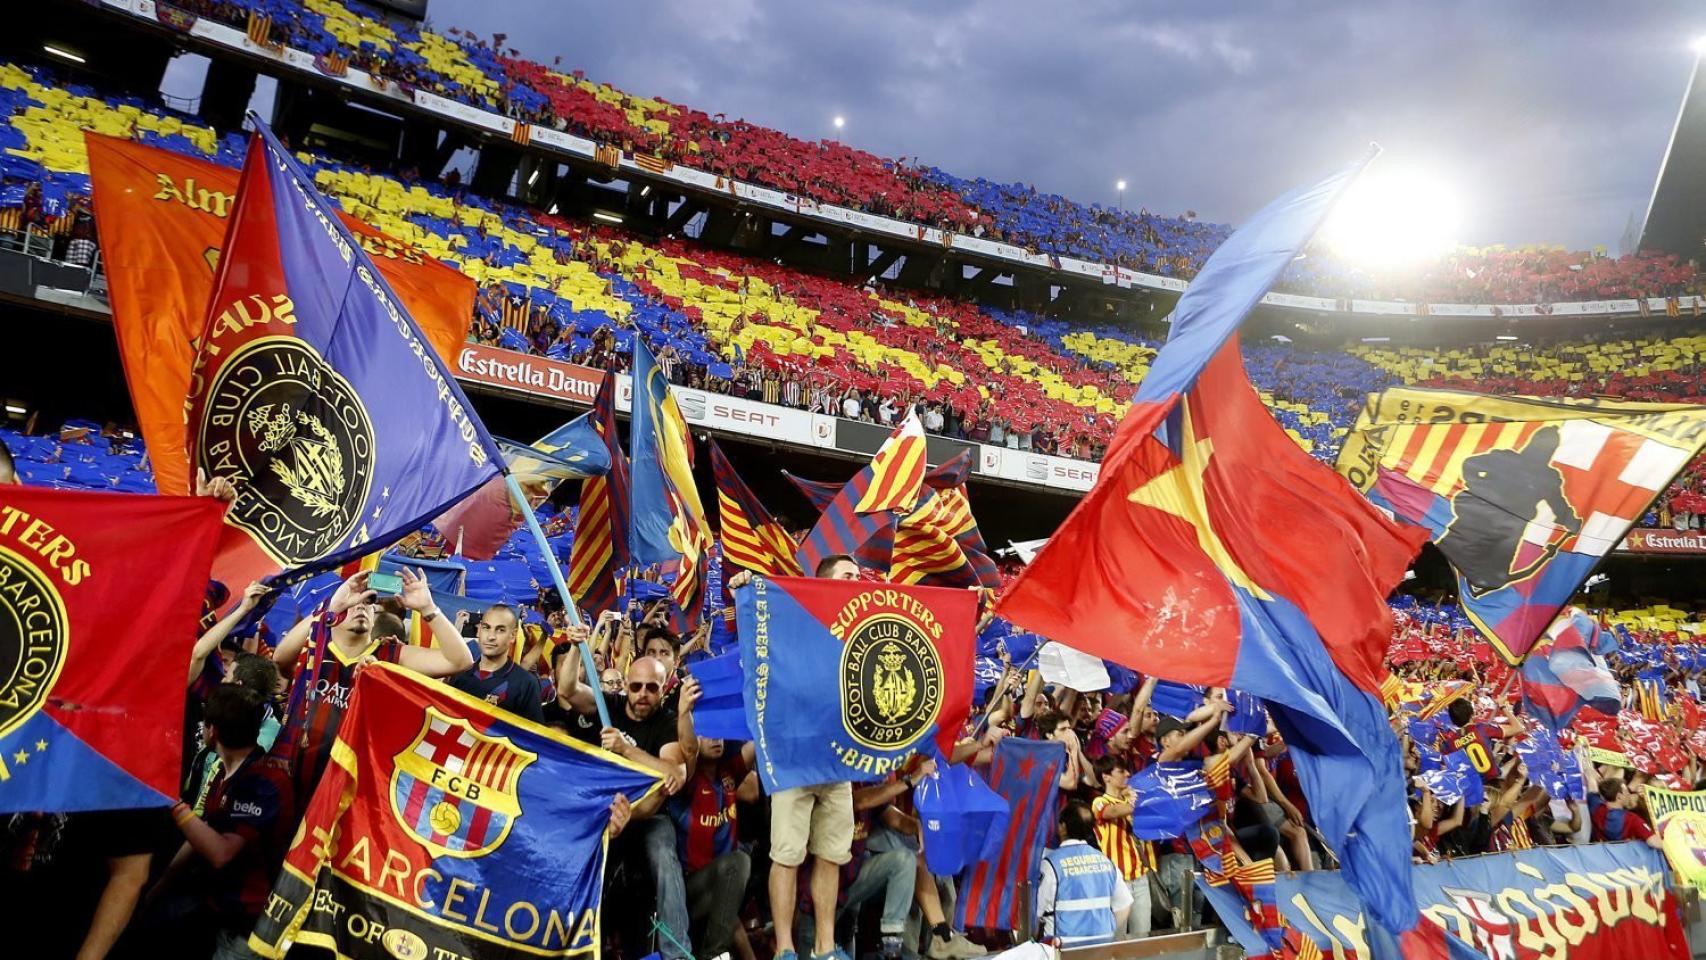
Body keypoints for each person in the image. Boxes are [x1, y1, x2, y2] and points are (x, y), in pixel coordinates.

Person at [270, 569, 475, 805]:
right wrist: (330, 609)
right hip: (292, 777)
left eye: (368, 602)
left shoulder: (389, 654)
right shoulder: (315, 645)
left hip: (350, 788)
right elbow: (280, 656)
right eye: (352, 601)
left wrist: (429, 609)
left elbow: (460, 661)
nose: (360, 606)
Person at [152, 686, 296, 960]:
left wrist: (171, 802)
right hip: (217, 907)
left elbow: (220, 853)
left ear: (212, 730)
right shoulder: (223, 772)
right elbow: (201, 834)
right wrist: (156, 888)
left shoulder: (263, 781)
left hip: (248, 927)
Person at [671, 737, 759, 959]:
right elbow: (687, 746)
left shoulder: (729, 774)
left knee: (739, 866)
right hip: (691, 890)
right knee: (739, 860)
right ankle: (715, 954)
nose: (715, 740)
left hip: (725, 885)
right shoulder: (686, 781)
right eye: (707, 734)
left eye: (718, 734)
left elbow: (758, 741)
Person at [1037, 801, 1131, 947]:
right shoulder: (1106, 862)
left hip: (1063, 949)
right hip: (1101, 948)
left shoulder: (1051, 864)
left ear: (1063, 827)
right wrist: (1108, 934)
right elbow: (1124, 904)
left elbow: (1036, 911)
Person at [1090, 755, 1154, 939]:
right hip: (1117, 882)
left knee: (1142, 939)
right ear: (1106, 777)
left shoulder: (1133, 803)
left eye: (1127, 770)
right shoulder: (1100, 802)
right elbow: (1114, 812)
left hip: (1140, 877)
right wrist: (1137, 799)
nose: (1127, 774)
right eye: (1121, 771)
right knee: (1116, 941)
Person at [450, 603, 545, 722]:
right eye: (486, 627)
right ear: (478, 631)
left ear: (513, 636)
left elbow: (532, 737)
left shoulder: (526, 683)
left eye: (500, 630)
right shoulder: (460, 674)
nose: (491, 637)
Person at [1589, 778, 1661, 846]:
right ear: (1619, 797)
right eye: (1626, 792)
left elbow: (1592, 789)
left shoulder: (1597, 807)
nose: (1629, 795)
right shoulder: (1632, 820)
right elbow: (1653, 842)